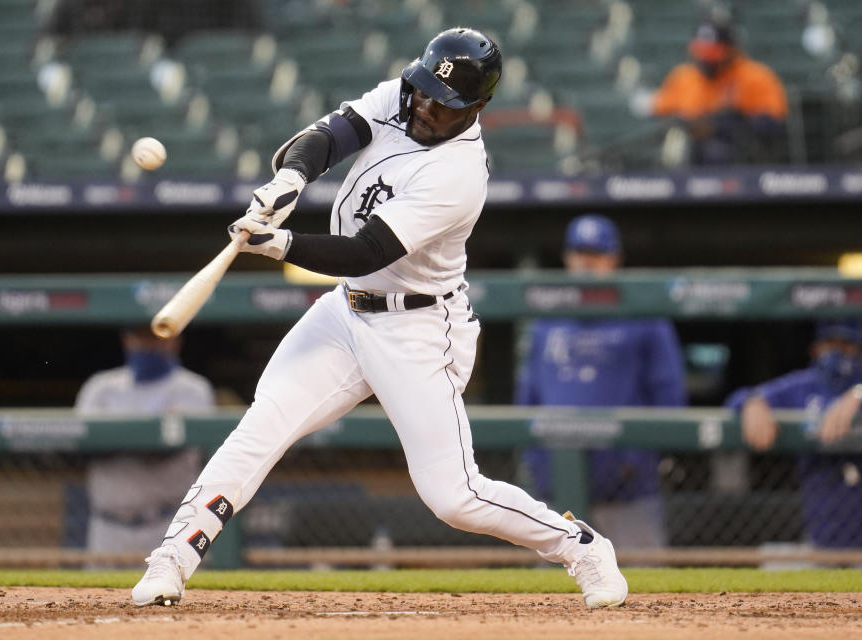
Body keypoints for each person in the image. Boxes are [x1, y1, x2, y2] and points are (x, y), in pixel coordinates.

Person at [131, 28, 627, 608]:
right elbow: (328, 136)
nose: (424, 106)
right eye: (422, 91)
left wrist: (280, 243)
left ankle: (582, 546)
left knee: (453, 497)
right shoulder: (404, 94)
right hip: (345, 312)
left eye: (444, 104)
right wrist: (291, 178)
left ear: (478, 107)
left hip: (417, 329)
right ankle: (175, 555)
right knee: (262, 425)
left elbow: (367, 251)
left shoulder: (460, 176)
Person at [515, 214, 687, 548]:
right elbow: (527, 400)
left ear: (614, 259)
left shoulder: (645, 316)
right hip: (557, 494)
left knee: (646, 589)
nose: (587, 263)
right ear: (568, 258)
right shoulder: (545, 322)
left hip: (628, 494)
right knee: (554, 596)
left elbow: (670, 400)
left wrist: (635, 462)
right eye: (580, 254)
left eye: (597, 254)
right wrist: (539, 467)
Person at [75, 326, 215, 561]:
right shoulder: (100, 387)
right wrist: (144, 433)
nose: (148, 345)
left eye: (157, 337)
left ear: (175, 340)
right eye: (141, 337)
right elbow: (83, 445)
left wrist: (115, 437)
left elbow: (165, 450)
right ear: (127, 340)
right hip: (108, 527)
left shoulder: (194, 389)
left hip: (170, 525)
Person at [725, 320, 862, 548]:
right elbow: (737, 399)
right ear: (815, 349)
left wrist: (858, 393)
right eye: (830, 344)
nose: (838, 352)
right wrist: (752, 402)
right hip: (822, 528)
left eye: (846, 345)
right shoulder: (804, 385)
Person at [650, 17, 788, 165]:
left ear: (732, 51)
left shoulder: (755, 76)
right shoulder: (682, 76)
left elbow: (772, 122)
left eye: (712, 54)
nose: (705, 60)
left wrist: (721, 125)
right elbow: (661, 115)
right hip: (689, 150)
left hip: (738, 157)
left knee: (716, 151)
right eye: (702, 53)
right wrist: (687, 125)